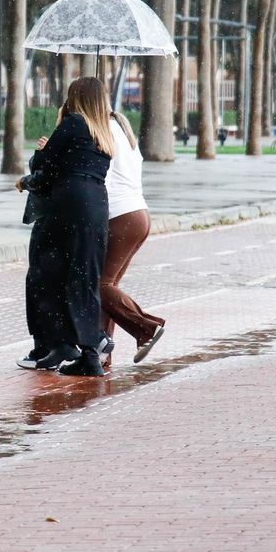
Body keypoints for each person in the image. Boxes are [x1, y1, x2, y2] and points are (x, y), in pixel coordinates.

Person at [15, 76, 114, 377]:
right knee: (84, 276)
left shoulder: (72, 124)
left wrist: (26, 181)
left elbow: (45, 168)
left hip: (67, 206)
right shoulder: (103, 134)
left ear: (76, 98)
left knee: (45, 272)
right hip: (96, 206)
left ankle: (59, 342)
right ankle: (89, 352)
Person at [100, 104, 166, 363]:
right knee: (108, 286)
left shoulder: (105, 133)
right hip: (139, 213)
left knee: (99, 285)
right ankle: (101, 352)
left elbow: (101, 180)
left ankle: (147, 328)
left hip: (120, 216)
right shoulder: (124, 133)